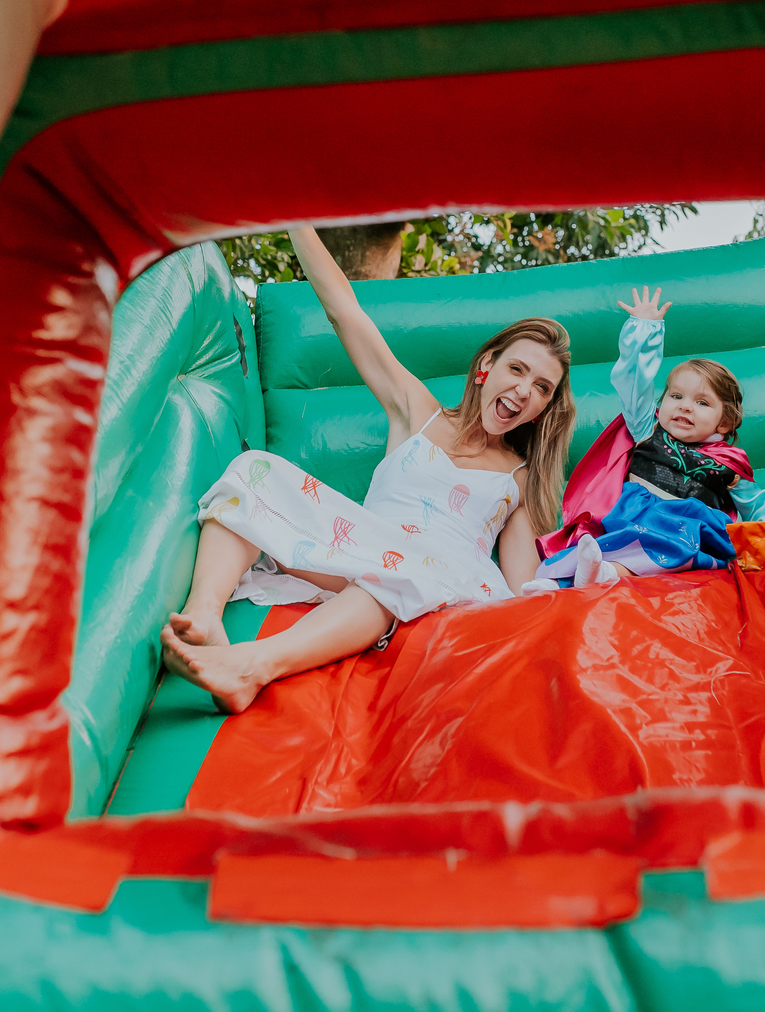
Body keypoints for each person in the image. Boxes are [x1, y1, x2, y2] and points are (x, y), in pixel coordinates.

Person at [160, 225, 575, 712]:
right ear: (487, 366)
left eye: (543, 388)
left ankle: (253, 666)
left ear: (543, 408)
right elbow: (345, 313)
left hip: (447, 586)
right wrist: (296, 217)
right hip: (364, 548)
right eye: (518, 370)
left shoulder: (519, 477)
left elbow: (520, 584)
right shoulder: (416, 411)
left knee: (402, 576)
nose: (526, 391)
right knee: (257, 470)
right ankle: (204, 613)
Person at [528, 284, 765, 591]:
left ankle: (606, 575)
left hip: (688, 533)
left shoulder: (728, 466)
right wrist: (645, 331)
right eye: (676, 396)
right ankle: (558, 585)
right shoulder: (646, 430)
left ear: (725, 422)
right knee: (593, 544)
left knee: (671, 541)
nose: (685, 406)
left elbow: (762, 511)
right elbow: (634, 383)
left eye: (702, 402)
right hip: (633, 522)